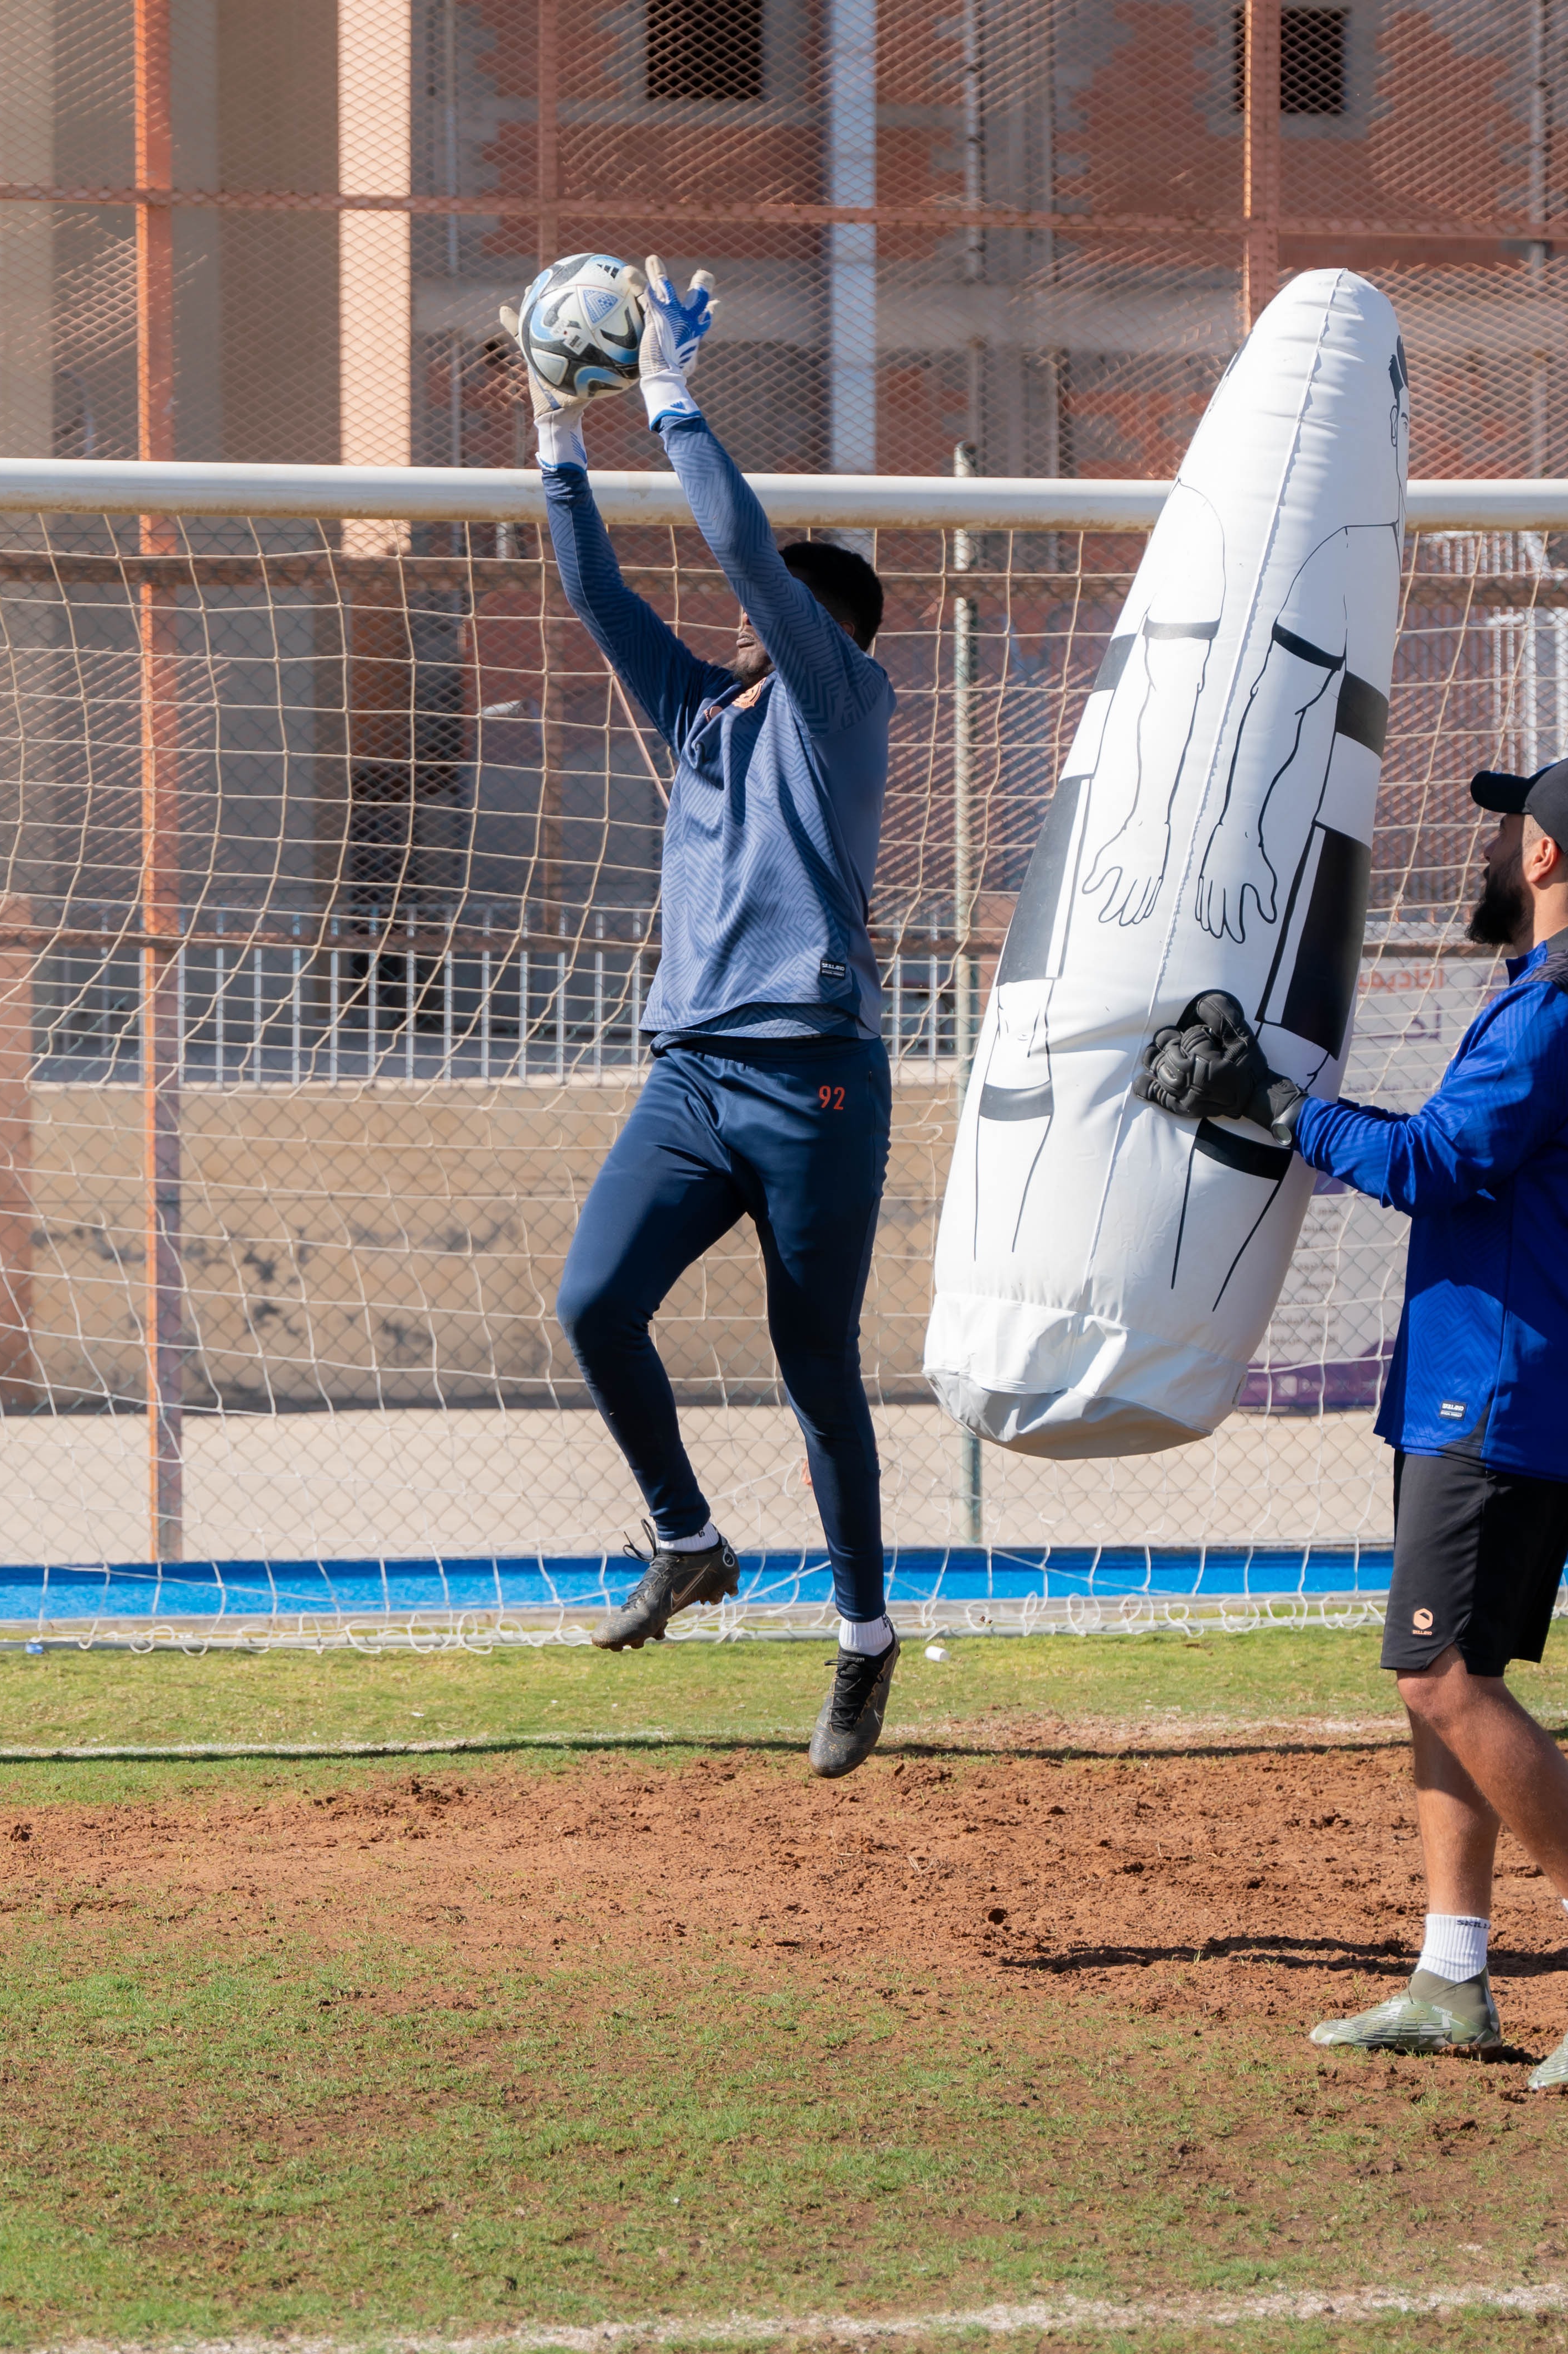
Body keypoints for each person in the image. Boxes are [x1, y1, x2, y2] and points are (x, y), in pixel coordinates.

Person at [1133, 756, 1568, 2094]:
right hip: (1492, 1378)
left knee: (1439, 1678)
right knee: (1442, 1686)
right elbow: (1454, 1158)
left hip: (1500, 1389)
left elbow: (1432, 1164)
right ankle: (1453, 1979)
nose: (1494, 850)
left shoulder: (1560, 1004)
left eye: (1512, 830)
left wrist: (1267, 1104)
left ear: (1547, 859)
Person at [499, 258, 902, 1779]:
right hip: (690, 1076)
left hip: (813, 1086)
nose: (750, 613)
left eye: (780, 604)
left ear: (824, 627)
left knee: (818, 1375)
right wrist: (558, 426)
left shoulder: (837, 702)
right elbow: (596, 591)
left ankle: (863, 1636)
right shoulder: (705, 717)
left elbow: (736, 544)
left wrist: (669, 396)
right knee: (594, 1302)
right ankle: (686, 1537)